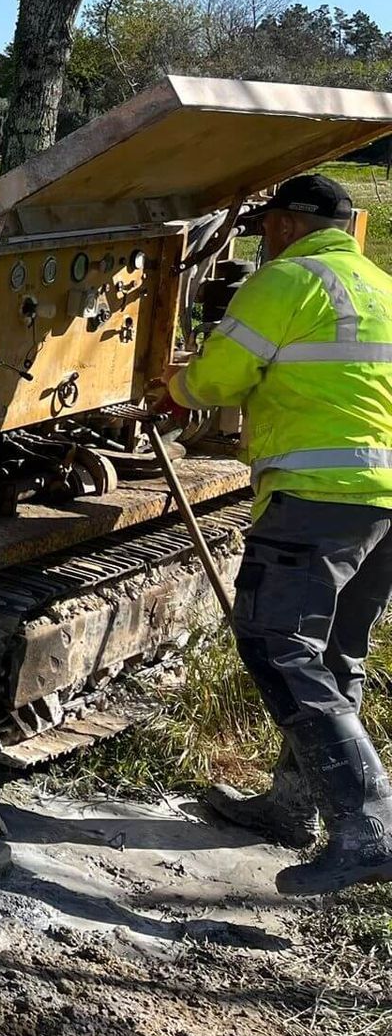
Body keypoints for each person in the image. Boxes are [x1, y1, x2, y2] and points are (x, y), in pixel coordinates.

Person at [164, 173, 392, 894]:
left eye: (267, 226)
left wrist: (171, 388)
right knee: (334, 651)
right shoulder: (380, 286)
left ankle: (369, 826)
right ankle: (297, 808)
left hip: (320, 496)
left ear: (292, 225)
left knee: (275, 643)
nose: (263, 238)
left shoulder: (287, 282)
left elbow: (218, 379)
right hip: (383, 502)